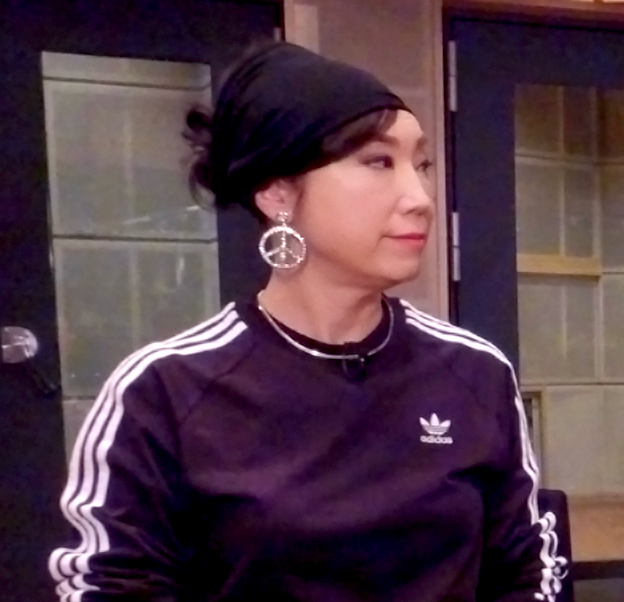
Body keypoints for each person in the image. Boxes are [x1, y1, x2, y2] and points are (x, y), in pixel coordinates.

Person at [49, 42, 566, 602]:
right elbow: (111, 586)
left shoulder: (475, 373)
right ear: (277, 192)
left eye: (421, 165)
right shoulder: (163, 391)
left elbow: (527, 571)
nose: (419, 197)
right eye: (378, 162)